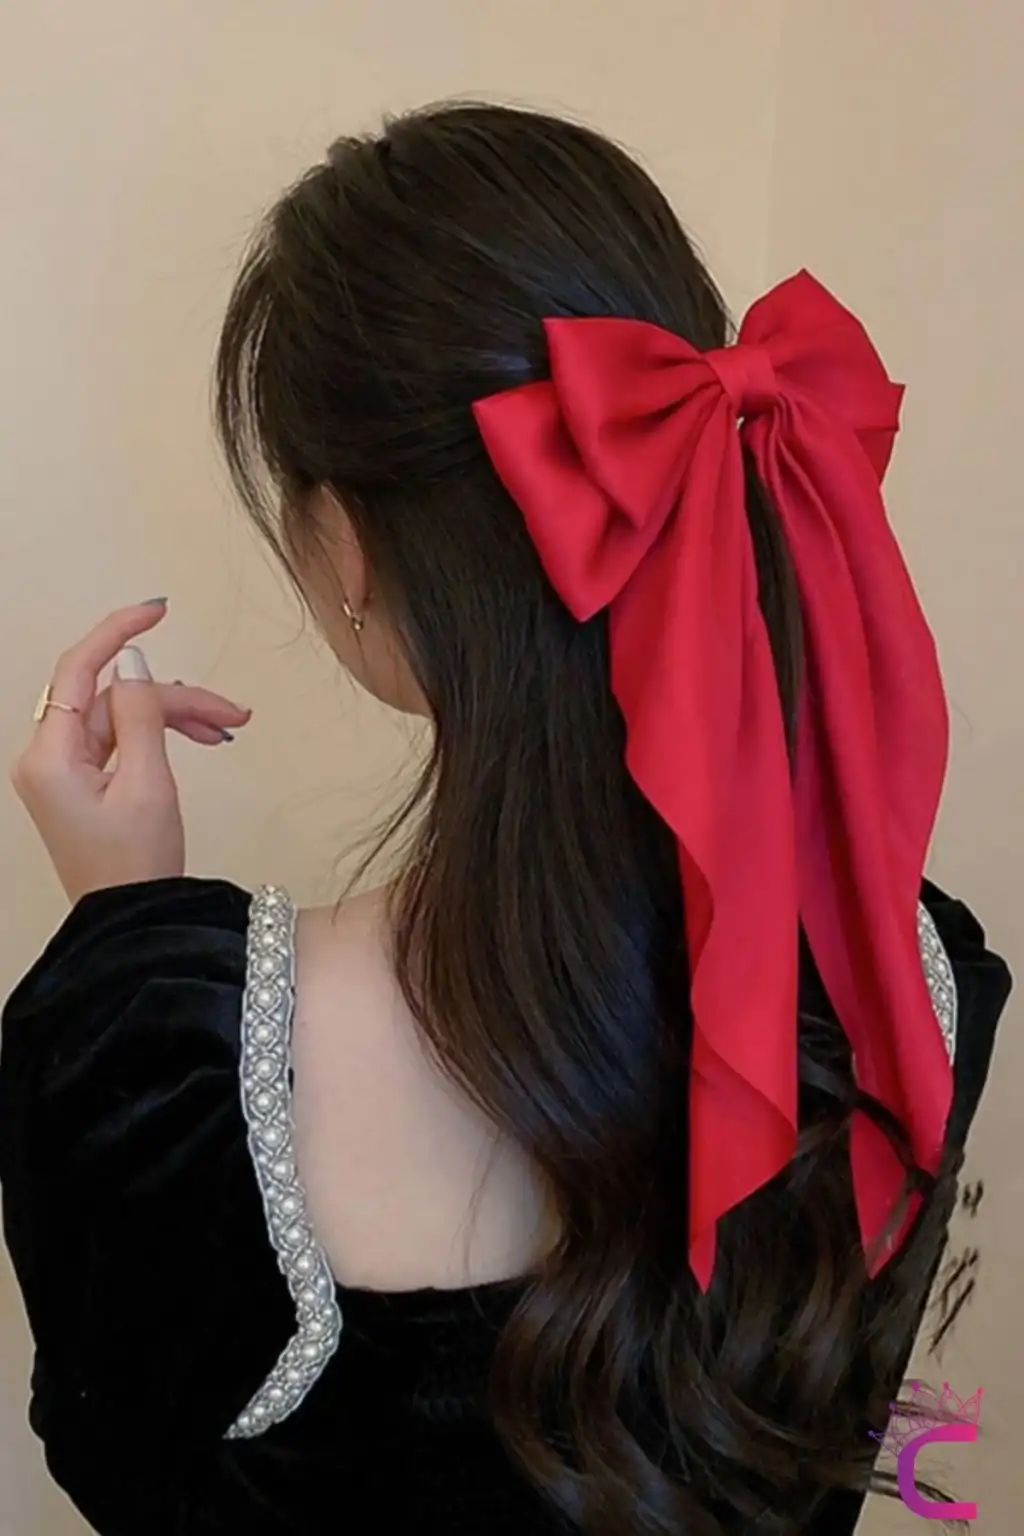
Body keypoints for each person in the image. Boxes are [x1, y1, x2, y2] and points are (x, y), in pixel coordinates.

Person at [0, 103, 1012, 1536]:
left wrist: (122, 929)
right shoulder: (906, 981)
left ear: (346, 545)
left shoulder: (161, 1063)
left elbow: (128, 1472)